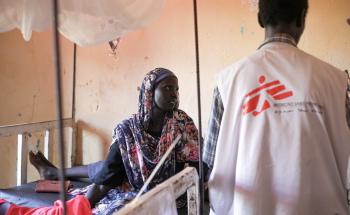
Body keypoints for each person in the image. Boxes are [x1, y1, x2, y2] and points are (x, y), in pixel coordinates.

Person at [204, 0, 350, 214]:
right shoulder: (336, 81)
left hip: (250, 208)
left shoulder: (228, 81)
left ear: (260, 18)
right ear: (301, 19)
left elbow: (211, 159)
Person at [0, 68, 205, 215]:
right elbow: (106, 181)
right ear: (150, 92)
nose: (174, 94)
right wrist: (76, 208)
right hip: (128, 183)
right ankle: (53, 173)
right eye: (168, 88)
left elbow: (196, 161)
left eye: (176, 89)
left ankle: (53, 172)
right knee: (103, 174)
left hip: (169, 189)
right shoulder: (127, 131)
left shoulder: (181, 122)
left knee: (101, 169)